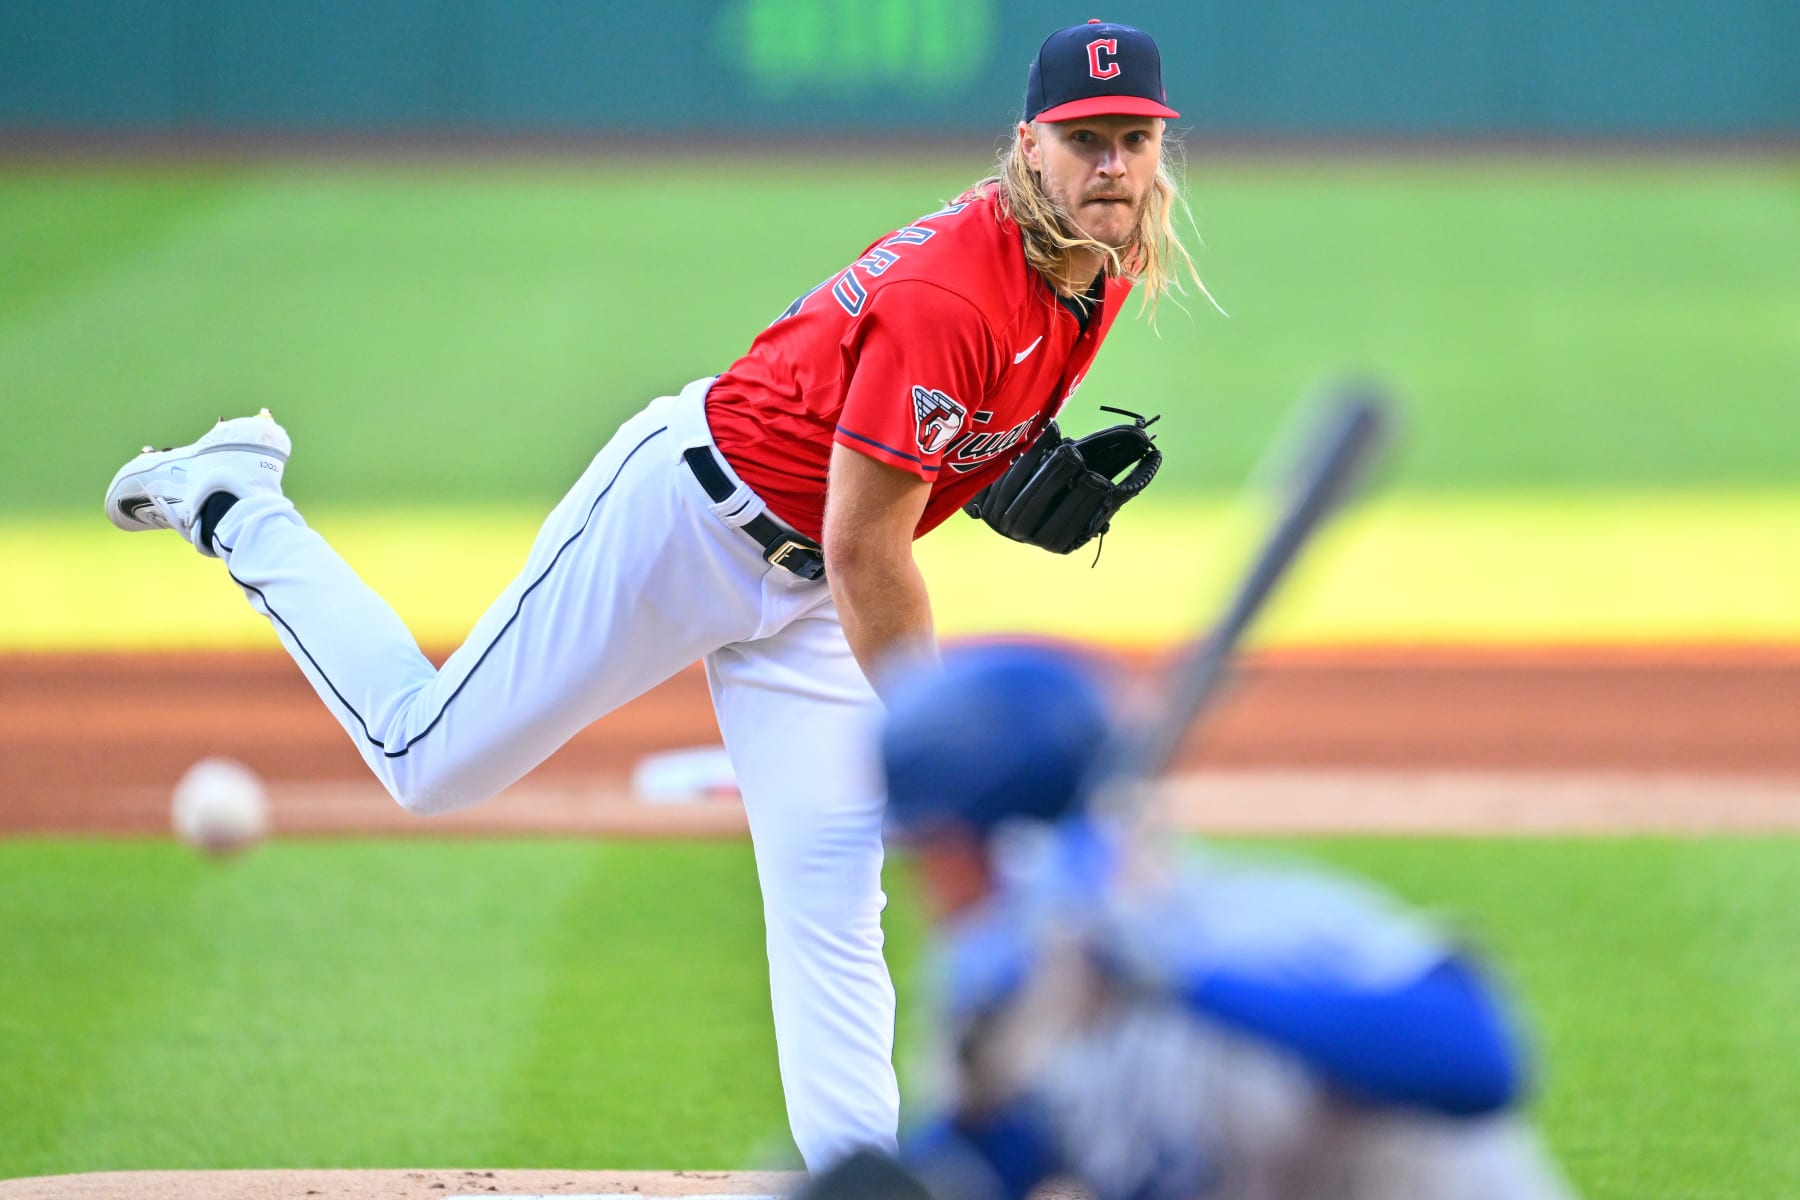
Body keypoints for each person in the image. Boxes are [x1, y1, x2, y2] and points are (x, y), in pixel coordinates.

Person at [99, 20, 1198, 1171]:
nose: (1112, 164)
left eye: (1133, 139)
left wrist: (980, 470)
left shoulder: (1095, 268)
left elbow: (896, 453)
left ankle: (861, 1184)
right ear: (1031, 145)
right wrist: (940, 741)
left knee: (830, 892)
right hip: (684, 523)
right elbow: (873, 549)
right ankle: (233, 501)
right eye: (1086, 139)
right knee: (429, 762)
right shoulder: (952, 292)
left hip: (811, 583)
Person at [830, 642, 1578, 1200]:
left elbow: (1476, 1063)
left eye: (931, 847)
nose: (926, 878)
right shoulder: (1009, 988)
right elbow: (1012, 1152)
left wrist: (1180, 975)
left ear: (981, 845)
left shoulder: (1257, 924)